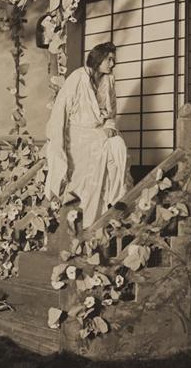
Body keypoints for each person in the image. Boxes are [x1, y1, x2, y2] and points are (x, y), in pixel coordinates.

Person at [45, 42, 130, 229]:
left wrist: (110, 126)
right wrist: (57, 144)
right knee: (98, 151)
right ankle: (90, 217)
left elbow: (112, 113)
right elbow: (60, 111)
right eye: (109, 59)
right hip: (76, 134)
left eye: (114, 60)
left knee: (117, 145)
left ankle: (114, 201)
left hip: (98, 131)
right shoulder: (77, 78)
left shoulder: (109, 80)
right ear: (98, 59)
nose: (113, 64)